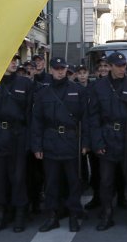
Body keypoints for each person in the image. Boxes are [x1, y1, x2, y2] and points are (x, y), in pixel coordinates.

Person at [30, 57, 89, 232]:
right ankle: (52, 216)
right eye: (56, 68)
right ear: (51, 70)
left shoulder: (77, 90)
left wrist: (85, 143)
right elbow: (37, 122)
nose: (60, 71)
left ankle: (73, 215)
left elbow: (85, 119)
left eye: (62, 68)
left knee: (73, 182)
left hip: (72, 142)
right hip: (51, 142)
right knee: (51, 183)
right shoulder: (43, 93)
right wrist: (37, 146)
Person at [0, 55, 35, 233]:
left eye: (14, 60)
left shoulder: (25, 84)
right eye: (9, 60)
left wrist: (31, 141)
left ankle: (19, 214)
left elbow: (31, 114)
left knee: (17, 177)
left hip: (18, 135)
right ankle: (0, 215)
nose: (13, 63)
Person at [88, 52, 127, 230]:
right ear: (110, 66)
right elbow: (93, 117)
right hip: (108, 138)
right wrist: (97, 143)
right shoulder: (99, 87)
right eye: (118, 65)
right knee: (106, 181)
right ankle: (107, 213)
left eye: (124, 65)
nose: (122, 69)